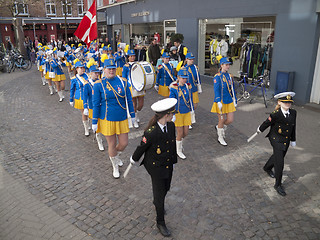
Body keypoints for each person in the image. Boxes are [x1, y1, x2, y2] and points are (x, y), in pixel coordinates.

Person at [130, 98, 178, 237]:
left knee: (167, 187)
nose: (173, 116)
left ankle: (158, 202)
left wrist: (173, 160)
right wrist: (134, 159)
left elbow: (172, 144)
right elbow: (142, 147)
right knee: (159, 193)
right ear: (166, 115)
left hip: (168, 164)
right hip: (155, 167)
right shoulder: (151, 132)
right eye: (172, 114)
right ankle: (160, 221)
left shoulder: (171, 126)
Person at [92, 58, 135, 179]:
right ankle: (115, 166)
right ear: (104, 70)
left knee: (124, 143)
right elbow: (96, 104)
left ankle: (115, 156)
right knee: (112, 143)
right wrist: (94, 121)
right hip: (107, 118)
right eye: (109, 69)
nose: (111, 71)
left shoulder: (123, 82)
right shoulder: (98, 85)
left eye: (113, 69)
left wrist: (132, 115)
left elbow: (129, 99)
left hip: (121, 116)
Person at [256, 92, 297, 196]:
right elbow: (267, 122)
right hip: (276, 138)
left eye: (289, 102)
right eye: (285, 102)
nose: (288, 104)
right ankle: (277, 185)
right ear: (280, 102)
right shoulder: (275, 114)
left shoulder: (293, 113)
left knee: (278, 156)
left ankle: (267, 167)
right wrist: (260, 129)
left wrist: (293, 140)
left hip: (286, 139)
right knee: (280, 163)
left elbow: (293, 127)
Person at [210, 57, 237, 146]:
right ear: (221, 65)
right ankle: (220, 137)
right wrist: (218, 101)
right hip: (220, 101)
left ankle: (219, 127)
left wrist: (234, 100)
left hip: (228, 100)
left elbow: (232, 89)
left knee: (230, 120)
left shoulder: (229, 76)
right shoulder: (217, 77)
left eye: (228, 65)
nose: (228, 66)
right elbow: (216, 89)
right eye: (226, 65)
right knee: (221, 120)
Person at [169, 67, 193, 159]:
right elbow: (172, 101)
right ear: (178, 77)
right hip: (178, 113)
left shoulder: (188, 86)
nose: (184, 80)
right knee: (180, 132)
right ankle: (178, 150)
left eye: (185, 78)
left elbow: (189, 99)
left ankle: (178, 142)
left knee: (185, 133)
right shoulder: (174, 88)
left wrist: (191, 110)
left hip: (186, 112)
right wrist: (173, 114)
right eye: (182, 78)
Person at [83, 59, 105, 151]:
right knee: (97, 125)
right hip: (92, 107)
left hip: (101, 106)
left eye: (98, 73)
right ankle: (99, 141)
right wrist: (85, 107)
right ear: (91, 73)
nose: (97, 75)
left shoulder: (101, 82)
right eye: (95, 73)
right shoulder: (87, 84)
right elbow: (85, 96)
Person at [122, 49, 145, 128]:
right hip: (131, 86)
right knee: (133, 104)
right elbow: (124, 78)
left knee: (141, 104)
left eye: (133, 56)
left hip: (139, 85)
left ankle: (136, 114)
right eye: (131, 56)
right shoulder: (125, 66)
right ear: (128, 57)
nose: (132, 57)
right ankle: (134, 120)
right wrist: (126, 87)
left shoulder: (138, 64)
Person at [70, 59, 90, 136]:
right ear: (77, 69)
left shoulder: (87, 75)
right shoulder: (74, 78)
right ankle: (86, 128)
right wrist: (71, 99)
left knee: (90, 112)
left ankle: (89, 124)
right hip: (80, 98)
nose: (82, 69)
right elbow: (72, 89)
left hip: (89, 97)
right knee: (84, 113)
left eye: (83, 68)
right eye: (80, 68)